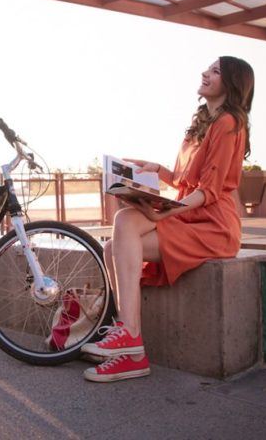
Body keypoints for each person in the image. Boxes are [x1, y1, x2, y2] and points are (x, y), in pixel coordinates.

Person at [82, 56, 254, 383]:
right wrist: (156, 170)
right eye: (208, 67)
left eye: (216, 71)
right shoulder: (202, 122)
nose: (205, 72)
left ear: (230, 84)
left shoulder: (229, 122)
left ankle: (129, 336)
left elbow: (211, 189)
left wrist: (167, 211)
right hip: (190, 213)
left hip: (212, 225)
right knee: (111, 248)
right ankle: (131, 352)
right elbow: (186, 178)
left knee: (126, 224)